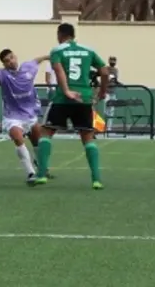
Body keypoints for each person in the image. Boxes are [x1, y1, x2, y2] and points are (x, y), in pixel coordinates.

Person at [32, 22, 106, 188]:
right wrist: (102, 91)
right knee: (87, 137)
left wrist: (66, 90)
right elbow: (105, 71)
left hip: (62, 99)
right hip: (84, 98)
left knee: (46, 133)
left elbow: (59, 71)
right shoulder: (89, 50)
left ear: (60, 35)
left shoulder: (57, 51)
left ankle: (42, 174)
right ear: (73, 35)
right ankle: (96, 179)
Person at [0, 41, 47, 183]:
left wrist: (49, 56)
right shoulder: (3, 75)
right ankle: (30, 173)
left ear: (15, 57)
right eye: (6, 61)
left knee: (37, 141)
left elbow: (36, 60)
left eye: (11, 58)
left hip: (31, 114)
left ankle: (40, 164)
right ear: (4, 64)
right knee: (17, 138)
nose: (10, 61)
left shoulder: (28, 68)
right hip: (13, 116)